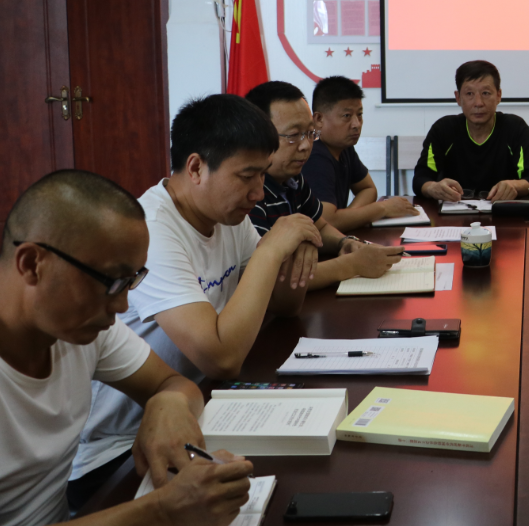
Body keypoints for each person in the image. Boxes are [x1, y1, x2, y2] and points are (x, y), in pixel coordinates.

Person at [72, 94, 322, 490]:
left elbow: (284, 305)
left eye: (262, 176)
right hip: (120, 449)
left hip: (196, 408)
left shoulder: (226, 215)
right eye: (247, 176)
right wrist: (272, 249)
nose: (259, 193)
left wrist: (296, 252)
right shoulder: (152, 230)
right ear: (195, 168)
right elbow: (221, 358)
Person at [1, 170, 253, 526]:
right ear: (31, 264)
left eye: (131, 281)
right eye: (111, 282)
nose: (121, 306)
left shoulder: (84, 331)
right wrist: (161, 510)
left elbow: (173, 383)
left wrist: (167, 402)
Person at [244, 81, 405, 290]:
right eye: (293, 136)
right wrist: (352, 265)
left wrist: (345, 243)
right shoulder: (250, 194)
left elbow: (320, 226)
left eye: (310, 134)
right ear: (258, 135)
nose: (305, 146)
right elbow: (269, 278)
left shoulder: (294, 178)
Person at [413, 61, 529, 202]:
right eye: (469, 93)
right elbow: (421, 178)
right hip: (454, 212)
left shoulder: (515, 128)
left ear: (498, 95)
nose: (478, 103)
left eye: (486, 93)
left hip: (504, 211)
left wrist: (514, 186)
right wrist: (433, 187)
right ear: (458, 98)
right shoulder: (443, 129)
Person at [305, 76, 417, 232]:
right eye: (347, 116)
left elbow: (368, 189)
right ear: (318, 119)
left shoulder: (344, 147)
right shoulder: (314, 157)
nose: (356, 124)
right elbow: (327, 222)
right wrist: (383, 208)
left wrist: (348, 217)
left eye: (359, 115)